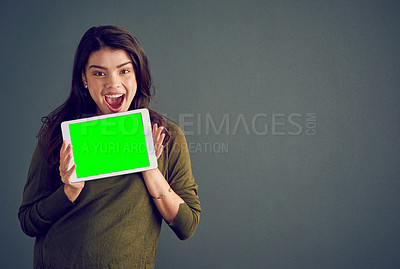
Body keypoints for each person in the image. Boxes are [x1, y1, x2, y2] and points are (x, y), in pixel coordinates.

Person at [18, 25, 201, 268]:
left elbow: (186, 226)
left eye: (124, 71)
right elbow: (29, 222)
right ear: (84, 77)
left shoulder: (166, 136)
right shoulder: (59, 135)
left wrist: (149, 167)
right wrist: (68, 191)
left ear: (138, 74)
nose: (113, 84)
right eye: (99, 73)